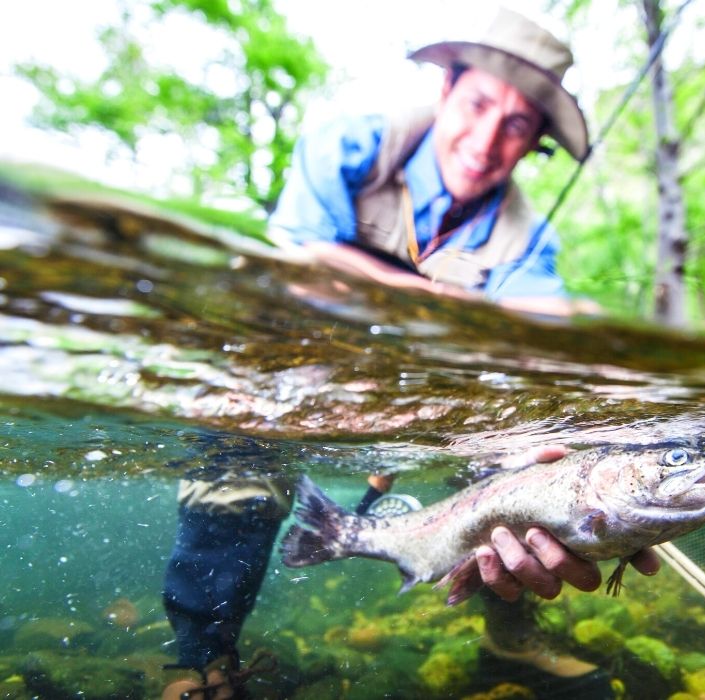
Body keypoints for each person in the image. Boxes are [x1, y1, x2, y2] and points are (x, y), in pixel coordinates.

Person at [161, 10, 659, 699]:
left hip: (428, 403)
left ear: (534, 142)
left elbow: (544, 356)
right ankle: (201, 662)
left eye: (516, 124)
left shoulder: (529, 243)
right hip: (289, 377)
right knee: (234, 476)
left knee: (510, 476)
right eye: (479, 104)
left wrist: (610, 496)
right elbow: (296, 271)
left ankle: (507, 640)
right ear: (446, 87)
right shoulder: (349, 148)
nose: (486, 142)